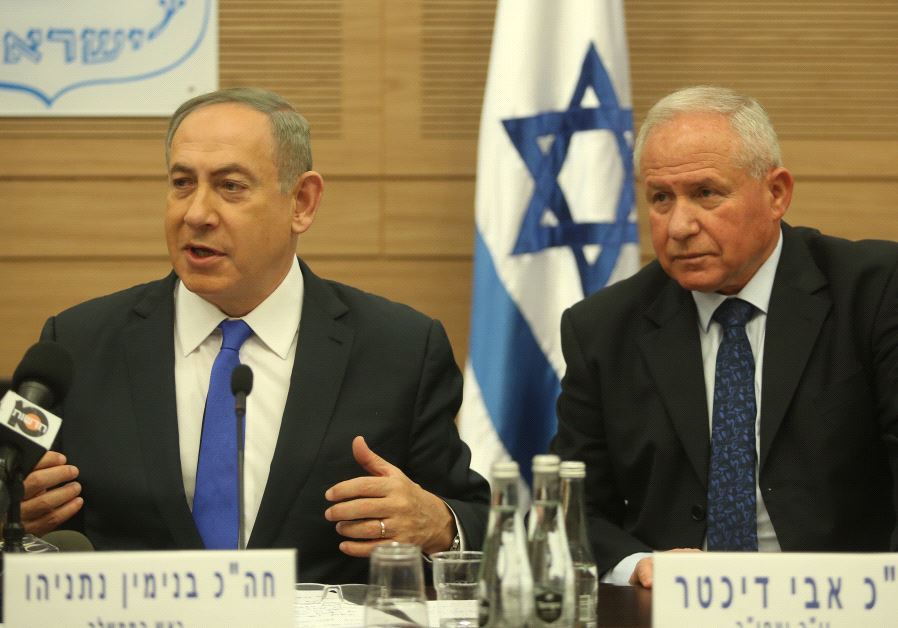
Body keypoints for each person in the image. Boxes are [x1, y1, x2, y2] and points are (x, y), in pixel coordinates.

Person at [17, 87, 490, 583]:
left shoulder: (401, 349)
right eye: (182, 183)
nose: (195, 213)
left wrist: (438, 525)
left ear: (301, 203)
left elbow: (472, 518)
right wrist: (12, 514)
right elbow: (12, 478)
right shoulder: (74, 343)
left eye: (231, 186)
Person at [551, 85, 898, 589]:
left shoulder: (874, 292)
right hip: (675, 610)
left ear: (776, 193)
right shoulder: (603, 328)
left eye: (706, 193)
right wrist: (640, 565)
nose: (679, 225)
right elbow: (572, 506)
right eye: (661, 198)